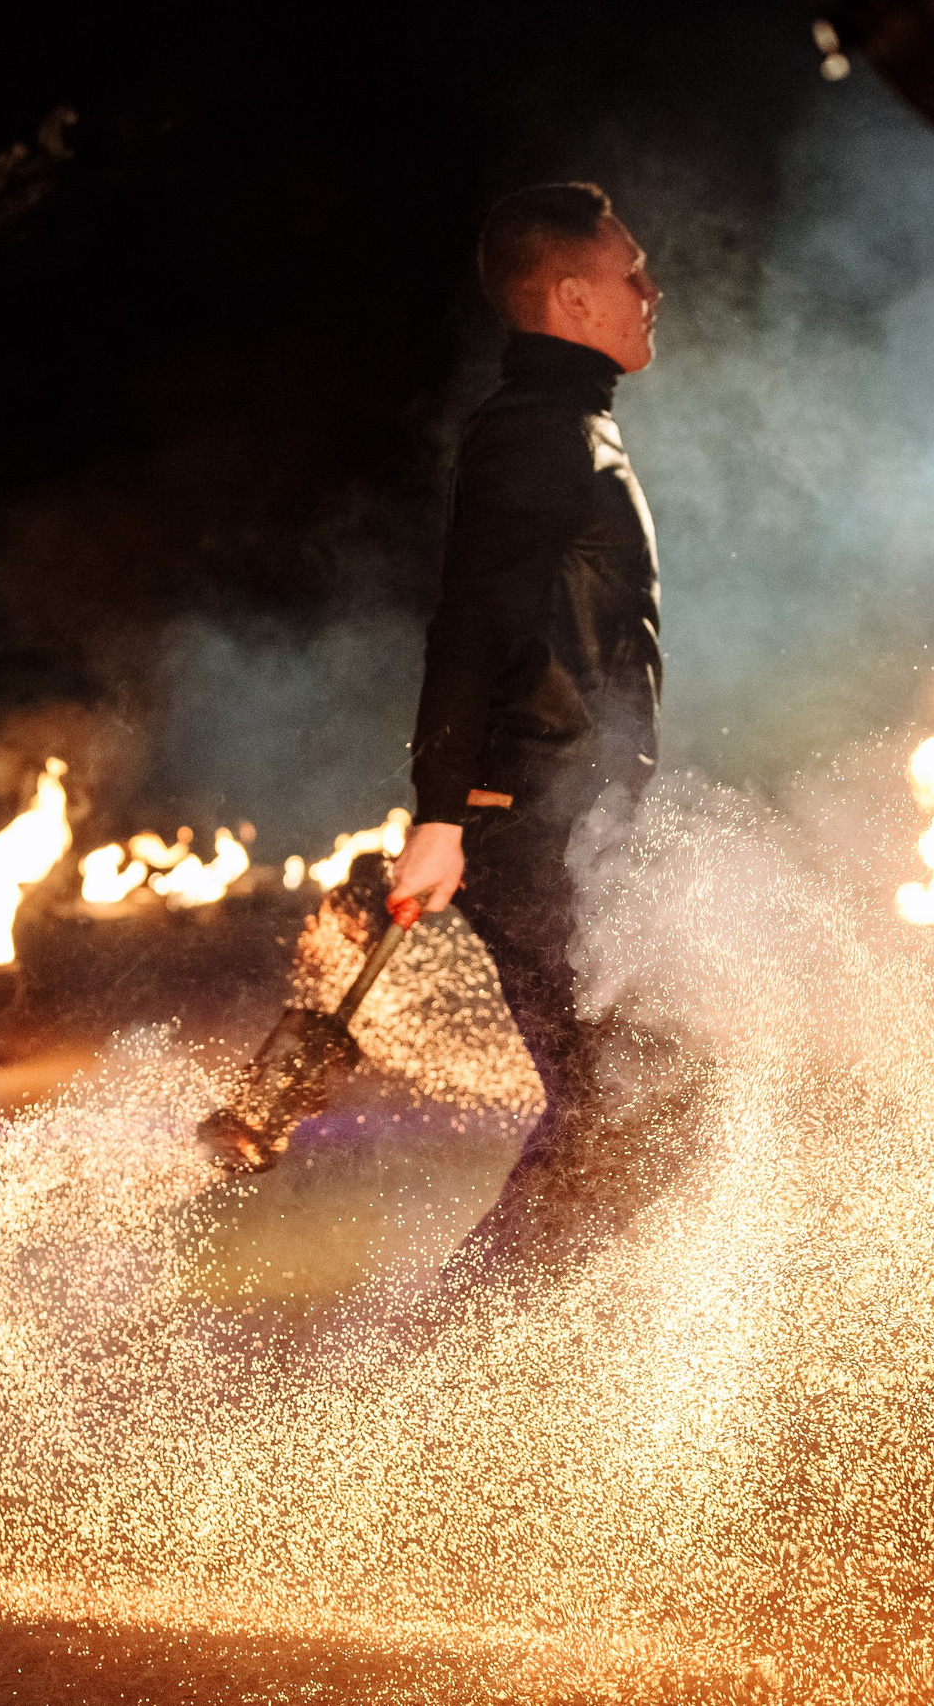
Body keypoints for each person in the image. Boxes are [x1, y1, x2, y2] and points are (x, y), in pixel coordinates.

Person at [387, 181, 666, 1274]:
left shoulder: (570, 425)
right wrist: (440, 815)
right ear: (571, 298)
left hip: (569, 822)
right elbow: (472, 620)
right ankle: (456, 1350)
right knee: (616, 1110)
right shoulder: (536, 433)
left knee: (630, 1104)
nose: (652, 289)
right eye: (630, 272)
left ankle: (503, 1340)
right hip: (534, 826)